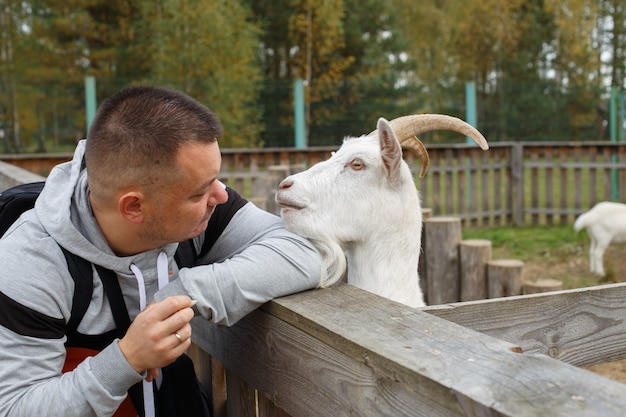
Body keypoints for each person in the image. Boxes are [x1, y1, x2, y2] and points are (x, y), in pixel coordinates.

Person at [0, 86, 322, 416]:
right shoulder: (32, 262)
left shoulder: (199, 215)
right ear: (134, 207)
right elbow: (13, 408)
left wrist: (180, 294)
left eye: (216, 179)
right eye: (199, 193)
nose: (221, 196)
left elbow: (304, 252)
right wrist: (127, 359)